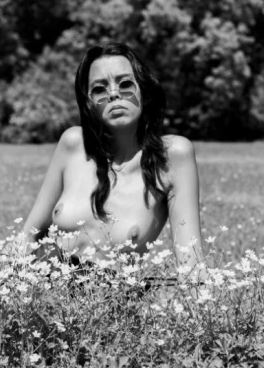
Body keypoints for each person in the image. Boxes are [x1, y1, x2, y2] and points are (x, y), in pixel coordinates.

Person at [21, 42, 206, 285]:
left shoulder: (173, 156)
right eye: (99, 89)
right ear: (88, 102)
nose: (113, 93)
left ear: (144, 90)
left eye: (126, 83)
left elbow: (191, 264)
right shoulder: (73, 144)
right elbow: (28, 235)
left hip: (111, 310)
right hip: (42, 298)